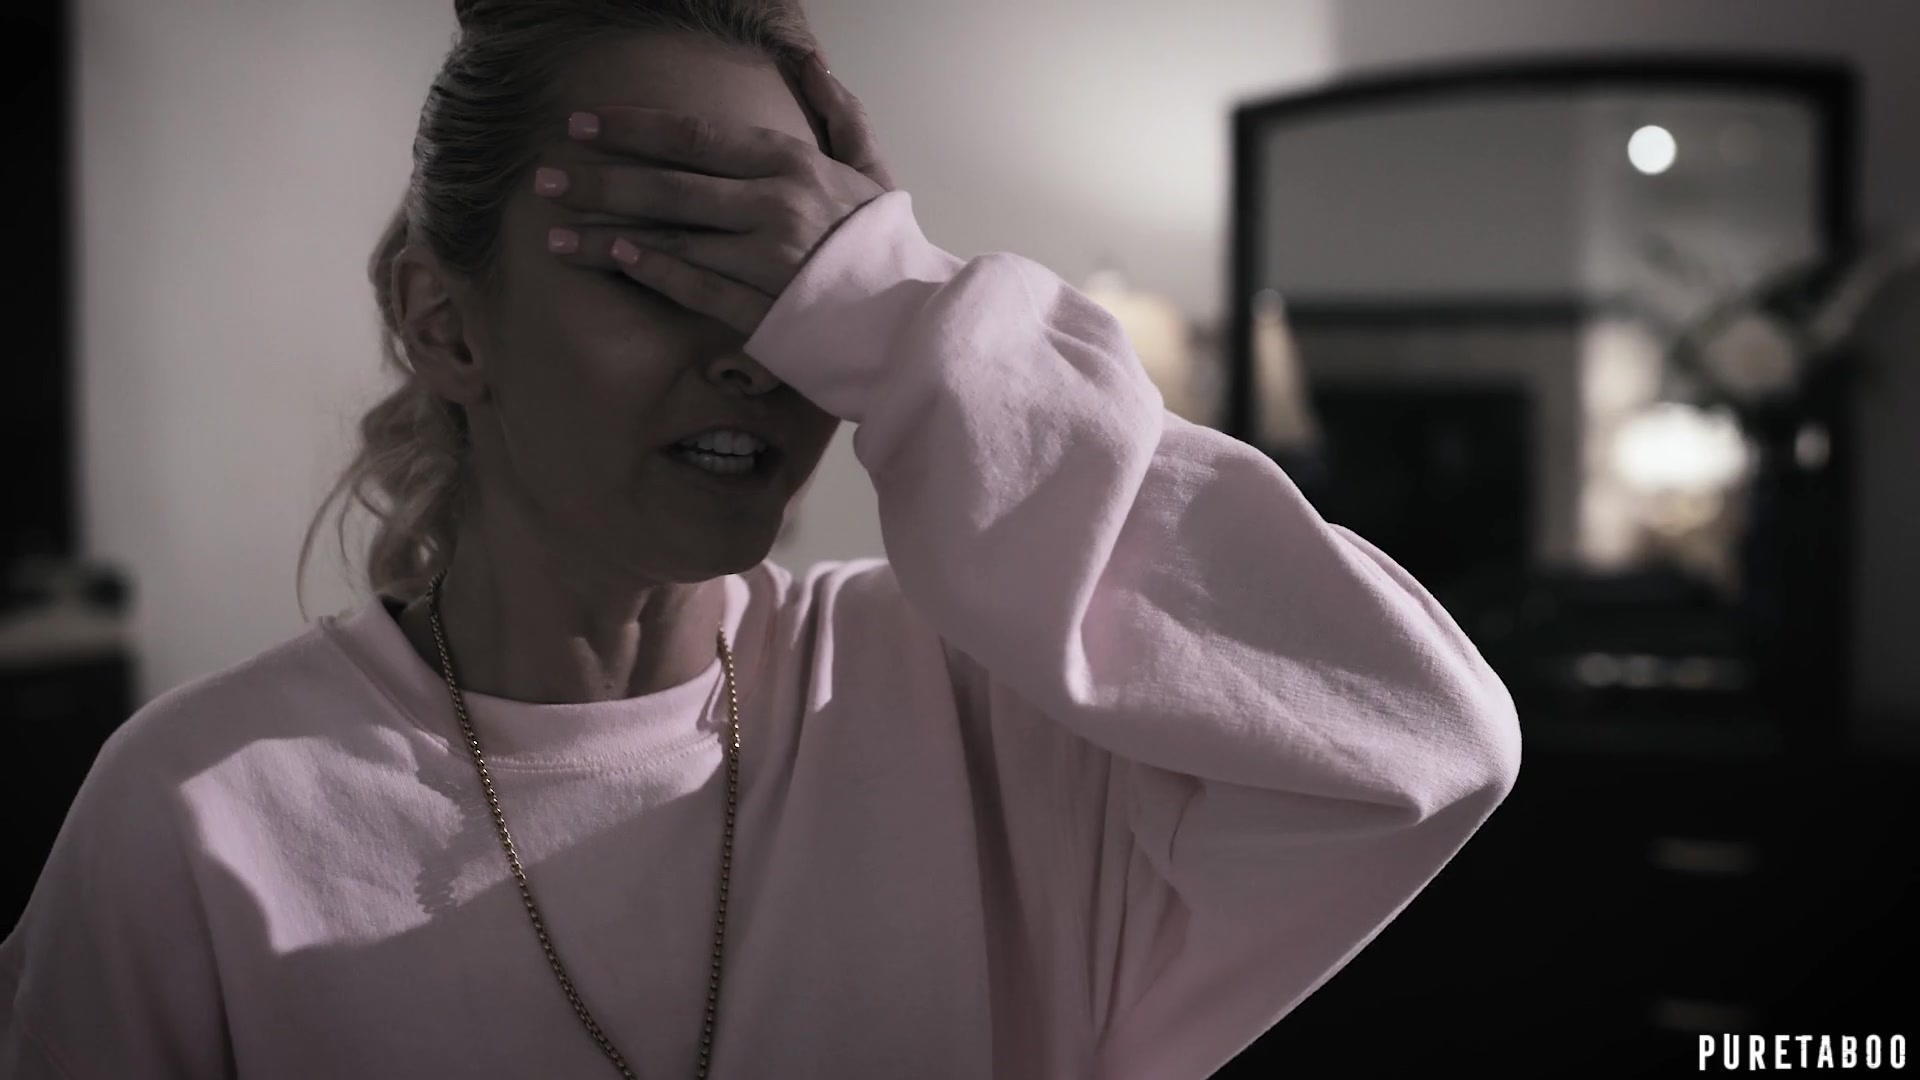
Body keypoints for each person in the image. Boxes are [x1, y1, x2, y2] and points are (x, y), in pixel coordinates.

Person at [0, 1, 1522, 1077]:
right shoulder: (199, 814)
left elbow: (1424, 739)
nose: (754, 353)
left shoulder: (975, 705)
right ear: (448, 327)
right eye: (662, 261)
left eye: (787, 273)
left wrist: (899, 308)